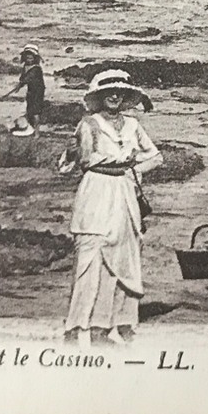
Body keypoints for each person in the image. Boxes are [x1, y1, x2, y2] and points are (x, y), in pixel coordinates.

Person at [57, 69, 162, 345]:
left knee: (126, 257)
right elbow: (69, 165)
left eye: (119, 91)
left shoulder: (132, 126)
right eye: (108, 92)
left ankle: (110, 325)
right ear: (100, 96)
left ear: (126, 96)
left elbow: (156, 157)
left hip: (124, 192)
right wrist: (70, 151)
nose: (114, 96)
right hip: (95, 191)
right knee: (89, 257)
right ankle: (75, 326)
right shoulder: (88, 124)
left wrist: (134, 173)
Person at [0, 44, 46, 133]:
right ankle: (31, 129)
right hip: (31, 90)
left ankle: (37, 132)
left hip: (38, 92)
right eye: (27, 58)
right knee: (29, 109)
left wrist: (21, 84)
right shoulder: (26, 66)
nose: (29, 60)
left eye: (31, 58)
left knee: (35, 111)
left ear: (35, 58)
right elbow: (23, 78)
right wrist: (19, 86)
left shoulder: (37, 69)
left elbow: (28, 78)